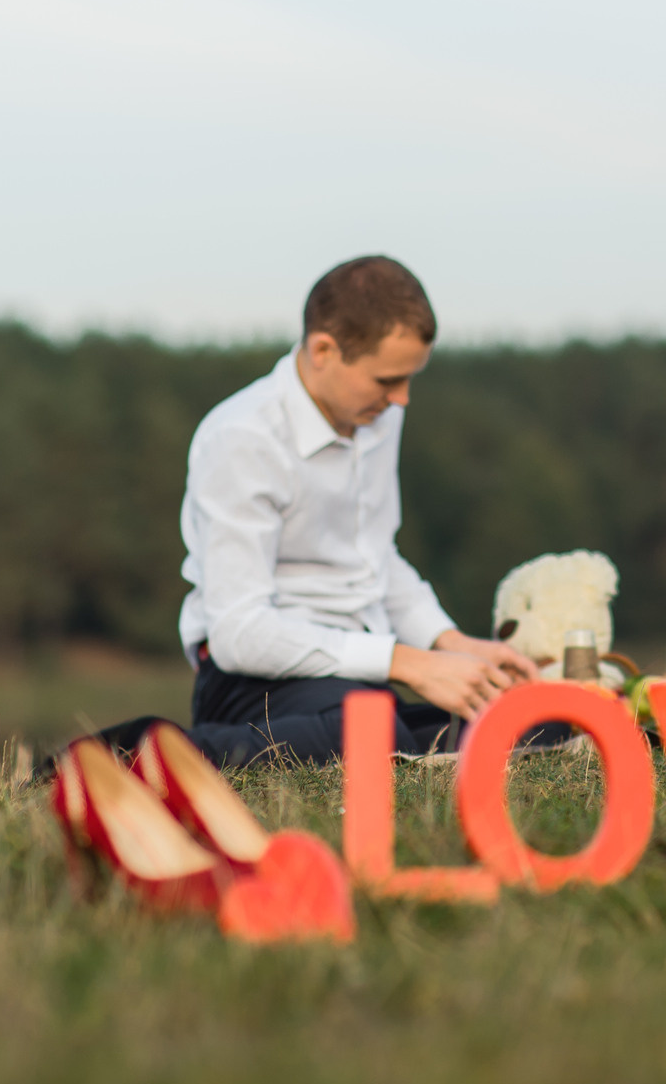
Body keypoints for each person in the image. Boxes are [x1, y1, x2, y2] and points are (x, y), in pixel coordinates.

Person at [102, 256, 536, 768]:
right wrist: (410, 664)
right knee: (369, 729)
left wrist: (452, 644)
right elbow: (239, 634)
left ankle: (411, 738)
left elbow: (376, 558)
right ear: (324, 350)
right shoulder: (243, 438)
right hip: (251, 680)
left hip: (358, 678)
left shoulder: (376, 418)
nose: (402, 400)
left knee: (528, 721)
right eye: (387, 380)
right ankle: (121, 759)